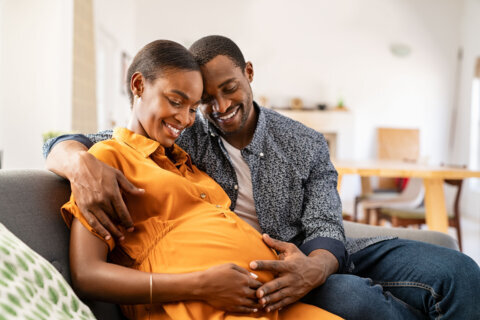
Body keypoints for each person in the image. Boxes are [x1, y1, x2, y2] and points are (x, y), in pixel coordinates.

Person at [44, 36, 480, 319]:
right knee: (358, 303)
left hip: (317, 253)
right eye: (202, 100)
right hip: (265, 272)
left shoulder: (304, 142)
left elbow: (326, 225)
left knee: (459, 271)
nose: (216, 108)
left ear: (249, 74)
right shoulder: (184, 132)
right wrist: (76, 161)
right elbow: (103, 142)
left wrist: (313, 267)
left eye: (228, 88)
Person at [62, 39, 340, 320]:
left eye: (194, 108)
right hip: (200, 307)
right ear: (138, 86)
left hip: (270, 301)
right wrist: (201, 285)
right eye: (175, 101)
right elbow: (86, 274)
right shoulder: (104, 162)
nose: (185, 119)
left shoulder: (185, 161)